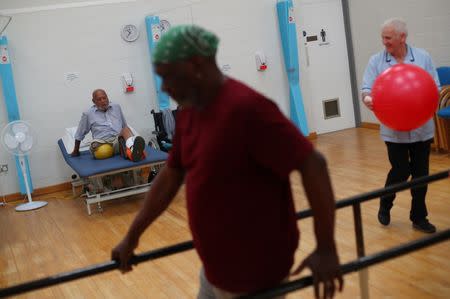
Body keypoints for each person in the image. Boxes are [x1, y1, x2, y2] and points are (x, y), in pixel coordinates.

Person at [112, 25, 343, 299]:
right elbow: (172, 174)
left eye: (168, 76)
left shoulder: (247, 110)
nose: (164, 87)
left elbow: (313, 164)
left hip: (254, 275)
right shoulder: (189, 111)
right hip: (214, 270)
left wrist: (327, 248)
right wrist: (132, 235)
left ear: (196, 64)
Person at [361, 18, 441, 233]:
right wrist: (368, 99)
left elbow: (434, 86)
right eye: (383, 37)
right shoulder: (376, 61)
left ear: (402, 37)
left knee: (421, 174)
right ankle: (385, 203)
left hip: (421, 129)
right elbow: (367, 88)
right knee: (400, 170)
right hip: (393, 129)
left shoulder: (422, 57)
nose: (384, 42)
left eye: (388, 38)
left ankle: (419, 217)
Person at [71, 89, 146, 162]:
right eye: (99, 99)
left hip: (117, 141)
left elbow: (124, 125)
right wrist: (76, 151)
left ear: (107, 97)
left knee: (126, 130)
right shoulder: (88, 114)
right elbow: (79, 133)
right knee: (99, 148)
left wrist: (129, 138)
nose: (103, 101)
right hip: (101, 142)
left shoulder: (116, 107)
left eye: (104, 98)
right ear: (94, 101)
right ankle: (126, 151)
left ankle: (132, 151)